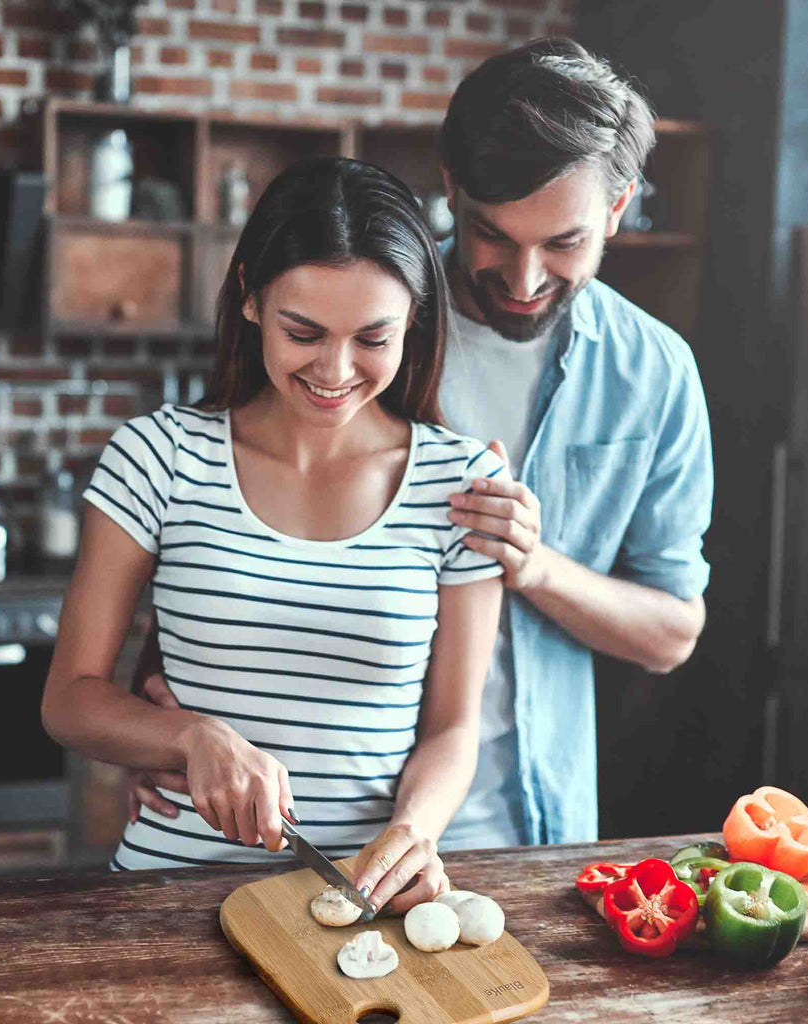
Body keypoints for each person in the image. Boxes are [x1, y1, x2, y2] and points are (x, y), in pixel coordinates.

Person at [126, 37, 714, 851]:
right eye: (493, 236)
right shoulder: (354, 317)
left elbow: (674, 631)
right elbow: (220, 520)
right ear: (451, 189)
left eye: (564, 244)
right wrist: (159, 724)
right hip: (300, 831)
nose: (524, 277)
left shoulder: (655, 373)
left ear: (616, 209)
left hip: (525, 821)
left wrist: (533, 564)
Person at [41, 156, 508, 914]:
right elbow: (69, 699)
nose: (336, 369)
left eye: (372, 338)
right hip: (171, 893)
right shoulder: (157, 457)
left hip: (360, 898)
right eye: (305, 331)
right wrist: (190, 738)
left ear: (414, 320)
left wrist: (414, 833)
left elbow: (454, 727)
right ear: (252, 298)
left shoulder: (460, 485)